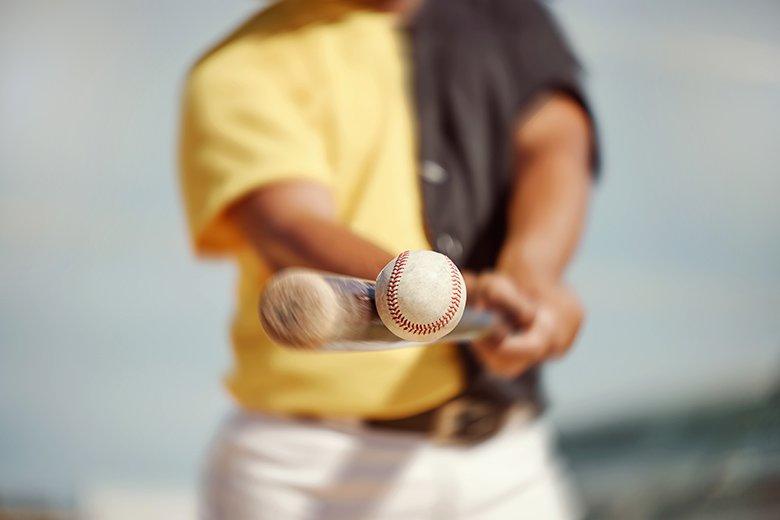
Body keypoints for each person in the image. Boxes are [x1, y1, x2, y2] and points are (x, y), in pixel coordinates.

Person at [179, 0, 597, 518]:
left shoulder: (509, 13)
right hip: (308, 471)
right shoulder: (239, 67)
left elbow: (556, 141)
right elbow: (288, 225)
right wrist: (445, 291)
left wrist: (532, 274)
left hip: (507, 459)